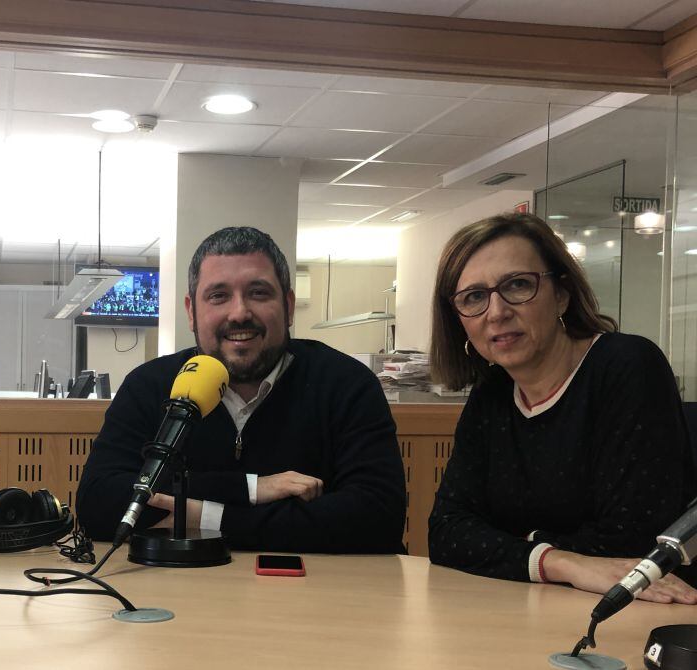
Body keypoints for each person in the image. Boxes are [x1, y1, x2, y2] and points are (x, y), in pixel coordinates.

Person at [76, 227, 406, 553]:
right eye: (218, 296)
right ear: (192, 311)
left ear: (288, 306)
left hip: (312, 596)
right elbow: (99, 505)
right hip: (182, 593)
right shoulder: (148, 386)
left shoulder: (347, 384)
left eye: (258, 293)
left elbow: (377, 518)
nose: (239, 313)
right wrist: (251, 489)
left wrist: (206, 515)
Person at [427, 212, 697, 605]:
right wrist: (562, 562)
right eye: (474, 297)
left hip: (642, 611)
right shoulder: (491, 395)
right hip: (531, 605)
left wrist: (515, 546)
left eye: (518, 285)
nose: (497, 311)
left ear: (562, 294)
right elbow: (446, 533)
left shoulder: (626, 365)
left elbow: (632, 543)